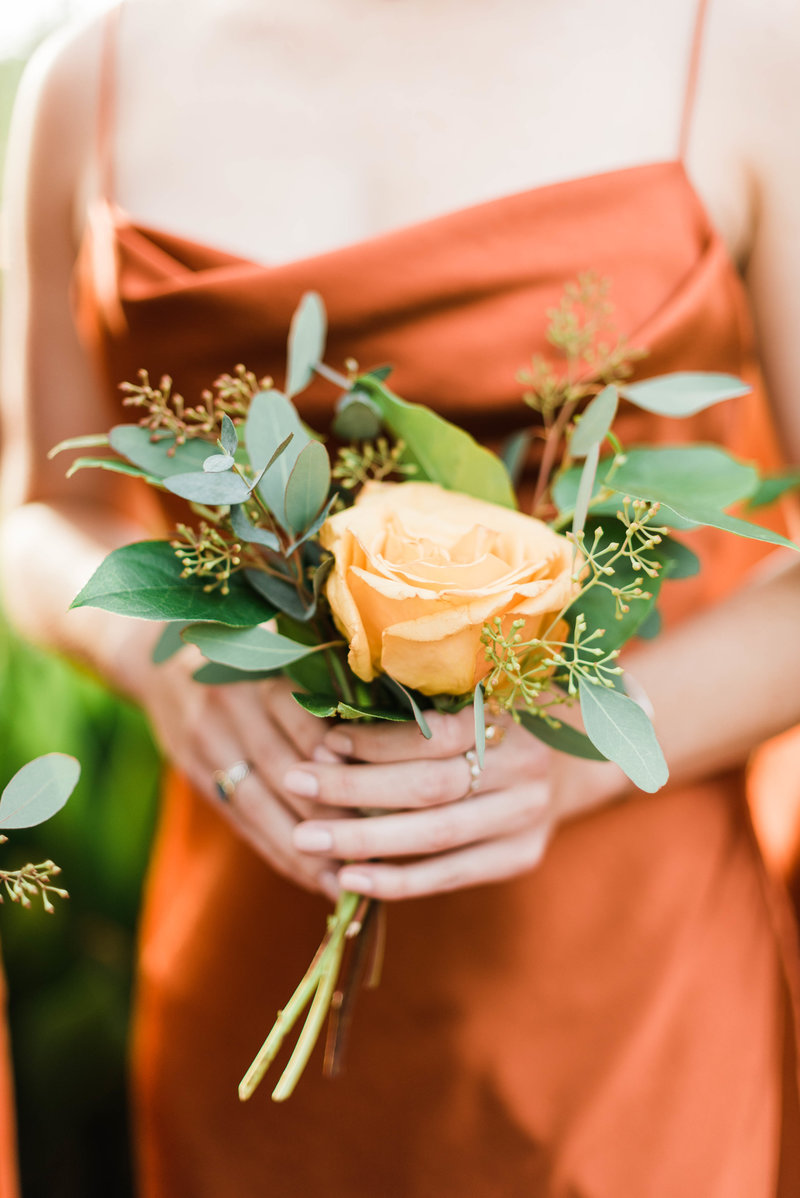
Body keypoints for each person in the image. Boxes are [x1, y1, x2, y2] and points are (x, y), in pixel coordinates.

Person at [2, 0, 800, 1193]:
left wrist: (566, 749)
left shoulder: (735, 46)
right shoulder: (93, 76)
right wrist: (160, 657)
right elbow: (38, 512)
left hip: (621, 995)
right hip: (261, 939)